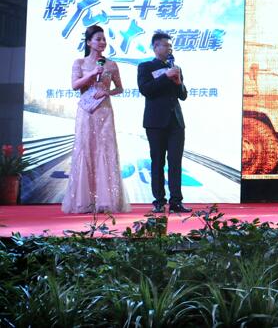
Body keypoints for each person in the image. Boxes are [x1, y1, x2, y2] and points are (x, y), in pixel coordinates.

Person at [62, 25, 131, 214]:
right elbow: (75, 85)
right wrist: (92, 74)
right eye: (98, 39)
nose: (102, 42)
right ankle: (84, 201)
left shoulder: (111, 65)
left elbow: (120, 88)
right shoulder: (79, 63)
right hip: (86, 112)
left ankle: (106, 201)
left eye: (104, 39)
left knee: (104, 150)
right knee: (86, 149)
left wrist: (107, 92)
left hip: (105, 112)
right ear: (88, 42)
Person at [138, 32, 189, 213]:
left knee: (175, 162)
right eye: (166, 45)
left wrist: (178, 82)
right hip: (155, 122)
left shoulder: (176, 68)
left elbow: (183, 95)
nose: (169, 49)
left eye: (170, 46)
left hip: (176, 122)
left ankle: (176, 201)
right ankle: (159, 201)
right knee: (157, 162)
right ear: (155, 47)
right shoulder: (145, 66)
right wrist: (165, 76)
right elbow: (146, 90)